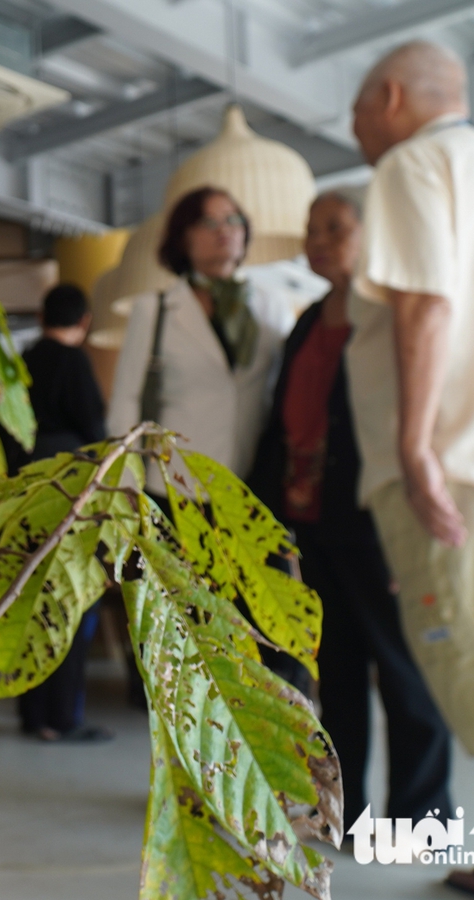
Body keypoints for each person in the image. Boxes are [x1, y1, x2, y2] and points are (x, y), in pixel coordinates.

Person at [249, 192, 452, 834]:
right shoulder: (308, 319)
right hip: (311, 518)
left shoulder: (389, 315)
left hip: (377, 514)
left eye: (335, 229)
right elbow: (284, 424)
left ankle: (420, 822)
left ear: (370, 234)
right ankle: (351, 814)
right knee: (334, 673)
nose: (320, 241)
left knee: (404, 670)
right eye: (312, 230)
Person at [346, 40, 474, 890]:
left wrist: (414, 446)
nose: (356, 134)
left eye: (356, 115)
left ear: (389, 96)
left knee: (460, 661)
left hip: (446, 466)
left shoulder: (413, 162)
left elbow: (427, 301)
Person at [108, 187, 294, 502]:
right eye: (208, 222)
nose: (223, 230)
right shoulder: (155, 309)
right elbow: (127, 399)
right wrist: (126, 485)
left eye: (232, 220)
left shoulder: (271, 306)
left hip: (251, 485)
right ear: (183, 237)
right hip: (173, 484)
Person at [4, 284, 111, 742]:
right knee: (70, 602)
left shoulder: (22, 365)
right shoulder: (75, 363)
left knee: (26, 602)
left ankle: (31, 714)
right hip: (70, 495)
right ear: (84, 321)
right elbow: (96, 431)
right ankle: (63, 717)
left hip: (24, 496)